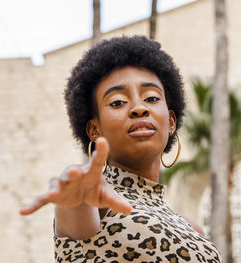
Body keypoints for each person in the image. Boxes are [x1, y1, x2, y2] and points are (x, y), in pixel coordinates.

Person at [20, 35, 222, 263]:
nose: (138, 108)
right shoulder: (96, 202)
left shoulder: (193, 229)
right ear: (95, 129)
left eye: (152, 98)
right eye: (117, 102)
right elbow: (77, 208)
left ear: (172, 122)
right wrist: (74, 195)